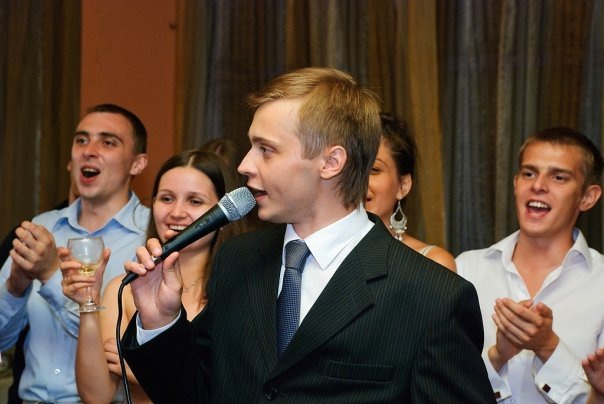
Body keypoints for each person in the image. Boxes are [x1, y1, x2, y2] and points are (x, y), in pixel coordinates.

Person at [120, 67, 493, 403]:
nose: (244, 165)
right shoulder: (237, 259)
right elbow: (196, 392)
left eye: (266, 150)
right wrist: (160, 322)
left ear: (331, 162)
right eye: (251, 146)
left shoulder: (431, 297)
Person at [60, 149, 242, 403]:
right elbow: (96, 396)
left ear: (223, 214)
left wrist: (142, 369)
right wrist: (87, 303)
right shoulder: (124, 288)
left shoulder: (238, 289)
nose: (177, 212)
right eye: (166, 198)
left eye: (195, 201)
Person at [0, 103, 150, 403]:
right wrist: (15, 287)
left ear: (137, 164)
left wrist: (50, 274)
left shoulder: (150, 238)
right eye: (81, 140)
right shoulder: (42, 228)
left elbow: (120, 351)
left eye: (108, 142)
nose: (89, 151)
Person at [456, 127, 604, 403]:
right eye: (529, 173)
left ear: (587, 197)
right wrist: (498, 356)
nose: (538, 185)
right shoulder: (466, 270)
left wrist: (547, 346)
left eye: (558, 177)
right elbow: (443, 385)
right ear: (515, 184)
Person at [365, 113, 456, 271]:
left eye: (374, 170)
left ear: (403, 186)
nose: (358, 181)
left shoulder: (432, 263)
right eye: (352, 169)